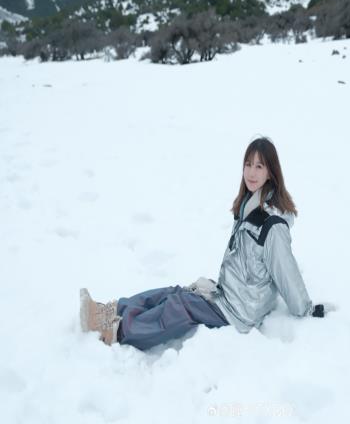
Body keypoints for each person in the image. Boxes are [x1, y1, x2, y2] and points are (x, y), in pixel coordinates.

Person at [80, 137, 334, 350]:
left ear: (271, 172)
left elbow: (286, 270)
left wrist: (305, 309)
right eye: (248, 164)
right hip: (229, 295)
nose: (251, 172)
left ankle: (117, 330)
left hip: (240, 311)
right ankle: (109, 311)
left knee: (179, 308)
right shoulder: (249, 206)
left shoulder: (272, 225)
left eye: (259, 166)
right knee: (174, 293)